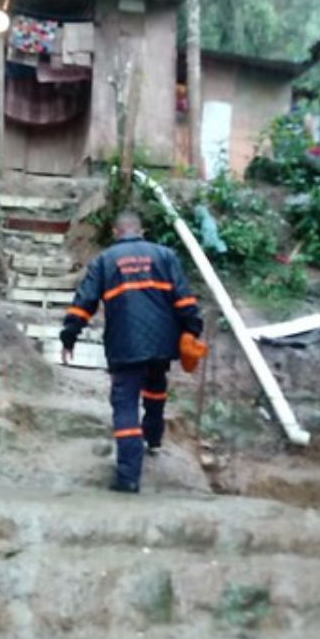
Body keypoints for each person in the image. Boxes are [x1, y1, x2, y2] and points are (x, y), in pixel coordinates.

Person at [60, 209, 203, 494]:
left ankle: (128, 477)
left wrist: (69, 335)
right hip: (162, 343)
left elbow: (85, 302)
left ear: (116, 233)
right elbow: (184, 300)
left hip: (124, 344)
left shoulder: (105, 260)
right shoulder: (165, 256)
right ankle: (153, 440)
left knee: (125, 405)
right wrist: (192, 329)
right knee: (155, 389)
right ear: (142, 231)